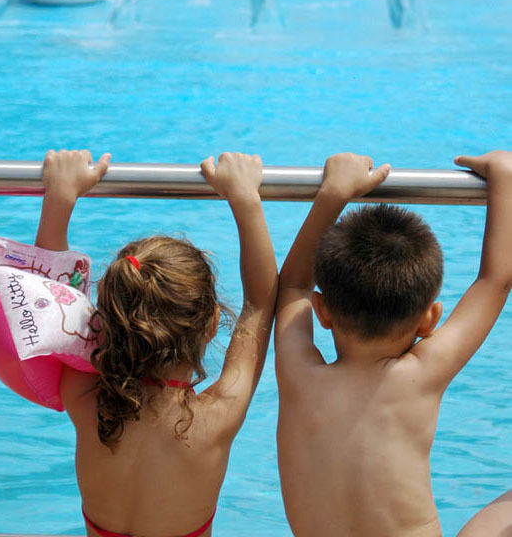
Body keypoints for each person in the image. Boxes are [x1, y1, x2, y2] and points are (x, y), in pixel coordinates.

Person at [34, 148, 278, 537]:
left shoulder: (85, 401)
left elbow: (49, 297)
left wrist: (60, 197)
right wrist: (246, 198)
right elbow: (261, 306)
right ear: (213, 322)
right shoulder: (215, 419)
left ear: (108, 322)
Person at [275, 150, 512, 537]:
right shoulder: (420, 375)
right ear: (429, 320)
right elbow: (494, 281)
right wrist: (505, 174)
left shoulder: (297, 371)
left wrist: (334, 193)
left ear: (322, 310)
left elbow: (294, 286)